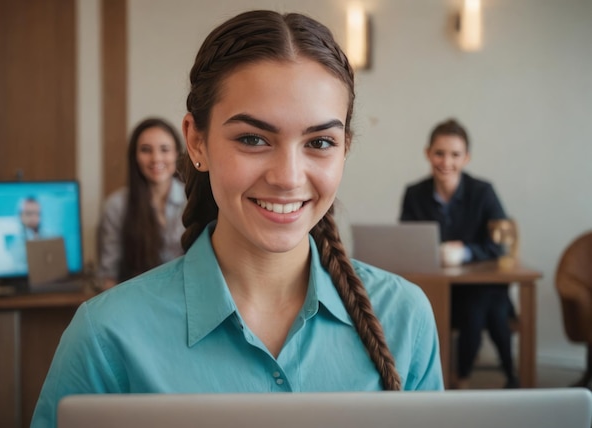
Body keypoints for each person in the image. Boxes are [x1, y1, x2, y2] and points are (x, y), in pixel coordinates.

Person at [31, 10, 443, 427]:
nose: (287, 178)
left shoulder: (404, 317)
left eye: (319, 142)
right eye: (252, 139)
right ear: (196, 141)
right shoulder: (107, 334)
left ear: (345, 149)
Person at [399, 118, 518, 389]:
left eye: (455, 154)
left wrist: (464, 252)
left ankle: (459, 379)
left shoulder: (483, 192)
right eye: (439, 153)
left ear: (467, 158)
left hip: (479, 286)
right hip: (436, 288)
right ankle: (480, 376)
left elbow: (499, 244)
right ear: (427, 154)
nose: (446, 161)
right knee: (486, 308)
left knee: (482, 305)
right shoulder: (414, 193)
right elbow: (406, 243)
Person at [97, 117, 186, 290]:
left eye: (164, 149)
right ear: (135, 157)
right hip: (135, 301)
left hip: (186, 300)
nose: (156, 158)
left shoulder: (193, 200)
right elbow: (109, 276)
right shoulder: (116, 206)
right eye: (146, 150)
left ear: (177, 154)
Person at [8, 196, 44, 270]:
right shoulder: (12, 241)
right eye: (29, 213)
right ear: (21, 215)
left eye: (37, 213)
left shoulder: (49, 237)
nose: (34, 217)